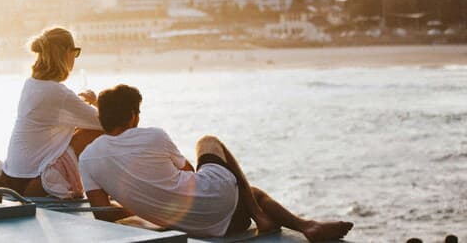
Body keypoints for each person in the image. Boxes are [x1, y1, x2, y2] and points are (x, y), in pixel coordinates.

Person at [78, 84, 354, 241]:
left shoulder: (88, 158)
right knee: (209, 142)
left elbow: (101, 212)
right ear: (132, 116)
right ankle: (294, 223)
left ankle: (301, 223)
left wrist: (137, 202)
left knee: (249, 193)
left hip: (197, 227)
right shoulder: (153, 136)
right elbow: (187, 171)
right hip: (220, 210)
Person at [0, 27, 104, 198]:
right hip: (36, 179)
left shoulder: (31, 84)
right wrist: (96, 102)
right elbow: (107, 123)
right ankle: (105, 192)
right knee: (95, 132)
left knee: (78, 131)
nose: (75, 58)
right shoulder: (59, 93)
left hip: (13, 177)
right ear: (66, 52)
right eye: (76, 52)